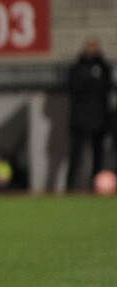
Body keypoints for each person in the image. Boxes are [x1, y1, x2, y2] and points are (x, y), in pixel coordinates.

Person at [66, 37, 113, 191]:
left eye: (94, 46)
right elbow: (75, 88)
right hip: (80, 119)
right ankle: (70, 188)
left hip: (99, 120)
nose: (91, 49)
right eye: (89, 46)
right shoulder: (77, 67)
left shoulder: (103, 67)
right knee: (75, 157)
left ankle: (96, 188)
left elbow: (105, 88)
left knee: (98, 157)